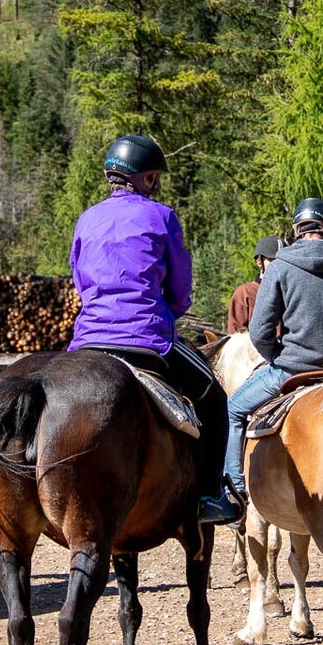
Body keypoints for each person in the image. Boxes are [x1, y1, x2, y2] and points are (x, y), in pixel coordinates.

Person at [68, 133, 242, 525]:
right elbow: (180, 289)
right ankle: (210, 496)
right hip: (147, 340)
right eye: (155, 178)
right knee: (215, 401)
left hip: (89, 342)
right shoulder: (161, 216)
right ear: (146, 179)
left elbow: (79, 280)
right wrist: (169, 310)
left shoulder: (87, 218)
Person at [224, 197, 323, 501]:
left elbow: (259, 330)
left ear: (298, 229)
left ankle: (233, 492)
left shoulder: (281, 266)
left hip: (290, 369)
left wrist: (276, 356)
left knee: (231, 410)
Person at [227, 236, 282, 334]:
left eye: (283, 261)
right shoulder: (245, 293)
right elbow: (236, 336)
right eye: (272, 260)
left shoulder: (292, 291)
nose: (279, 265)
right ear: (259, 262)